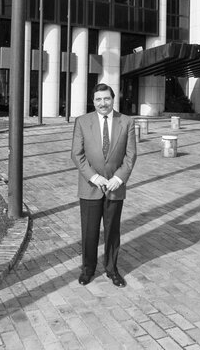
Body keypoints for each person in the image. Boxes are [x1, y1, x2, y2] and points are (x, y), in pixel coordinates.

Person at [71, 83, 137, 287]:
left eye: (106, 98)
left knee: (112, 231)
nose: (103, 103)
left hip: (115, 187)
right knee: (89, 232)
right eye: (98, 99)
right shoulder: (82, 122)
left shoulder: (126, 122)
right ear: (93, 101)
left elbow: (130, 154)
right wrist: (94, 177)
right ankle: (88, 269)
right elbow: (77, 154)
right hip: (90, 186)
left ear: (113, 99)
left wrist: (118, 179)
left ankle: (112, 269)